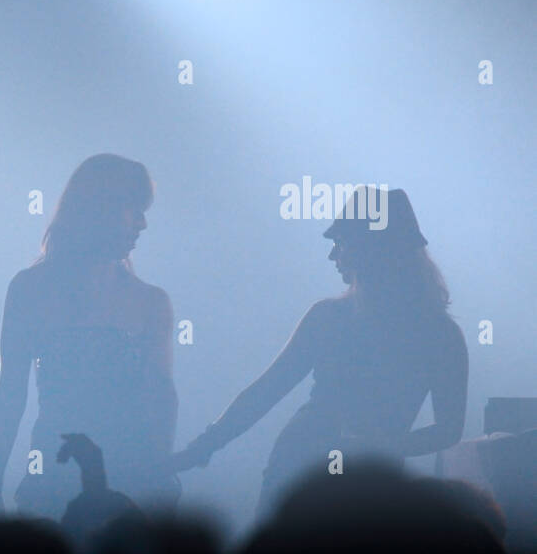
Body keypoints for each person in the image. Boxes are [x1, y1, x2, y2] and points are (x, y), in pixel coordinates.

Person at [170, 188, 467, 515]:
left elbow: (266, 391)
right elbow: (265, 392)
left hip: (339, 474)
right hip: (314, 469)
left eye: (342, 243)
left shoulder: (338, 318)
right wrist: (205, 446)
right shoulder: (439, 334)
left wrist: (205, 446)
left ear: (372, 250)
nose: (333, 256)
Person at [0, 154, 178, 518]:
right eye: (133, 208)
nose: (143, 223)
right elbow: (10, 390)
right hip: (54, 478)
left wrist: (160, 478)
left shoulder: (151, 303)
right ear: (98, 208)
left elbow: (162, 400)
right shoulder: (29, 290)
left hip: (128, 483)